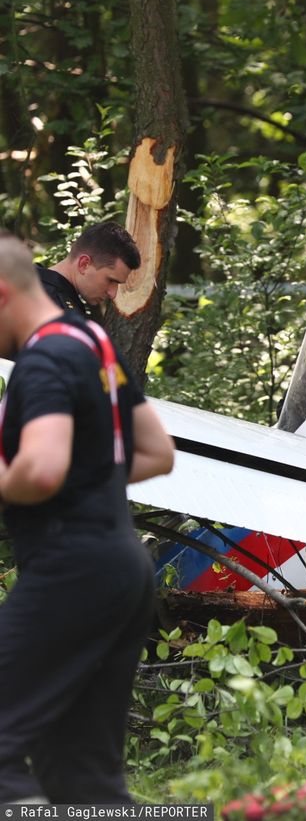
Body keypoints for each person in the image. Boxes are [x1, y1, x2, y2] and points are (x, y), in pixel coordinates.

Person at [0, 231, 174, 804]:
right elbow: (156, 452)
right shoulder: (89, 341)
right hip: (122, 567)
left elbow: (43, 466)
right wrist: (88, 480)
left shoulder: (43, 356)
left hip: (70, 566)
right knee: (83, 783)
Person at [38, 221, 141, 318]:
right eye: (110, 280)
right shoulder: (55, 309)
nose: (113, 294)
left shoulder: (32, 286)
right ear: (84, 264)